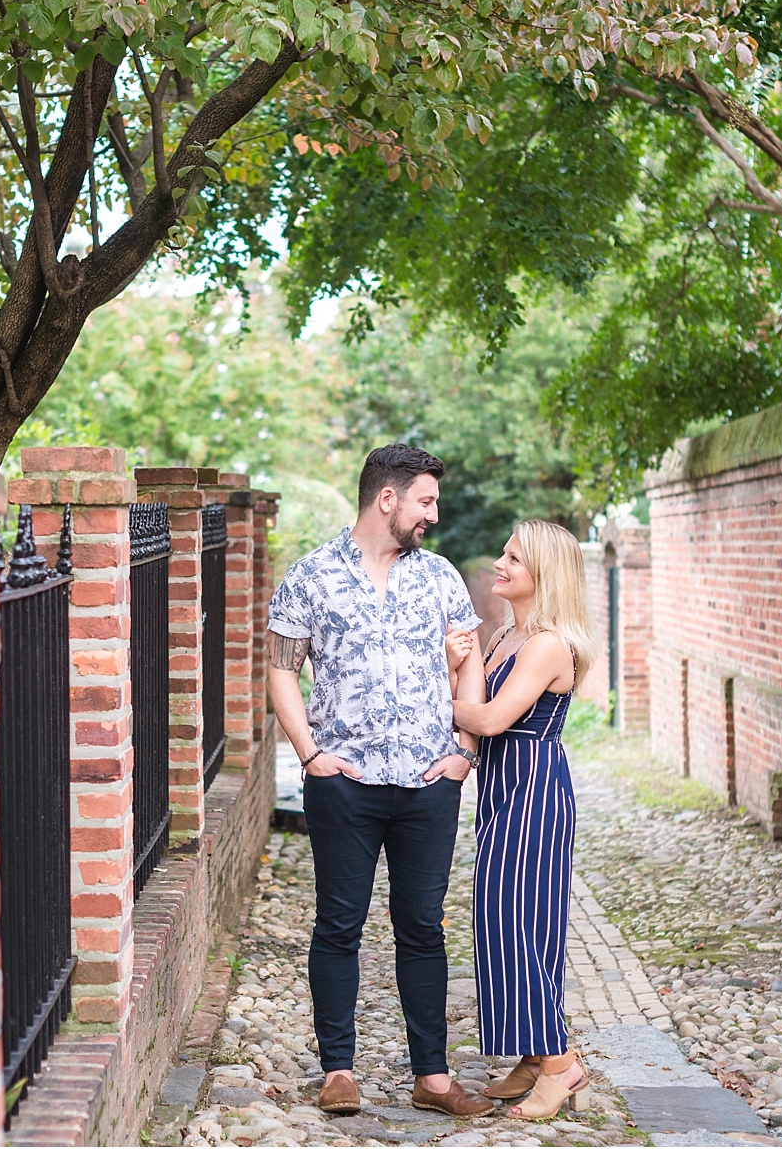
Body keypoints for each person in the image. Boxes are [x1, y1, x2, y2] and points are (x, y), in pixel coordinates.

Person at [265, 444, 494, 1120]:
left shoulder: (441, 578)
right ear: (386, 499)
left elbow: (472, 662)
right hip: (345, 782)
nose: (433, 515)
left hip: (429, 783)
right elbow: (280, 668)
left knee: (422, 926)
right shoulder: (311, 576)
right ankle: (338, 1071)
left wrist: (464, 751)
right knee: (339, 923)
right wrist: (310, 754)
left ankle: (433, 1076)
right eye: (425, 501)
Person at [446, 519, 596, 1120]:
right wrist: (455, 665)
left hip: (534, 790)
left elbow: (487, 720)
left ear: (545, 573)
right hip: (503, 787)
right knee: (509, 921)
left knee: (515, 924)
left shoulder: (549, 644)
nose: (500, 564)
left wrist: (425, 703)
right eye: (504, 554)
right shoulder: (509, 633)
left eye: (514, 558)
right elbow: (475, 702)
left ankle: (560, 1068)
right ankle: (534, 1057)